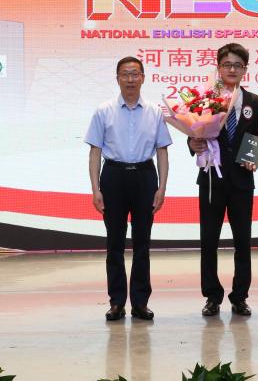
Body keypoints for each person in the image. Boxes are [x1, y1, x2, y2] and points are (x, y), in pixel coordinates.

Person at [85, 56, 171, 321]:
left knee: (142, 243)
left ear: (143, 78)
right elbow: (95, 152)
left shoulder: (154, 111)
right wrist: (95, 189)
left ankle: (140, 302)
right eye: (125, 74)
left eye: (135, 74)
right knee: (115, 243)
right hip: (113, 177)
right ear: (117, 78)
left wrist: (162, 188)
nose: (130, 79)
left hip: (145, 176)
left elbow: (162, 152)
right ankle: (116, 302)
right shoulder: (104, 111)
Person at [190, 43, 258, 317]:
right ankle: (212, 296)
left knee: (242, 241)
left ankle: (240, 296)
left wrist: (253, 157)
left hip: (242, 180)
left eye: (237, 65)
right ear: (218, 67)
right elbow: (195, 132)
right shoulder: (206, 99)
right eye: (227, 64)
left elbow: (256, 135)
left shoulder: (254, 102)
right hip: (212, 178)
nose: (232, 69)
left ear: (245, 69)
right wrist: (193, 144)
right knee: (208, 241)